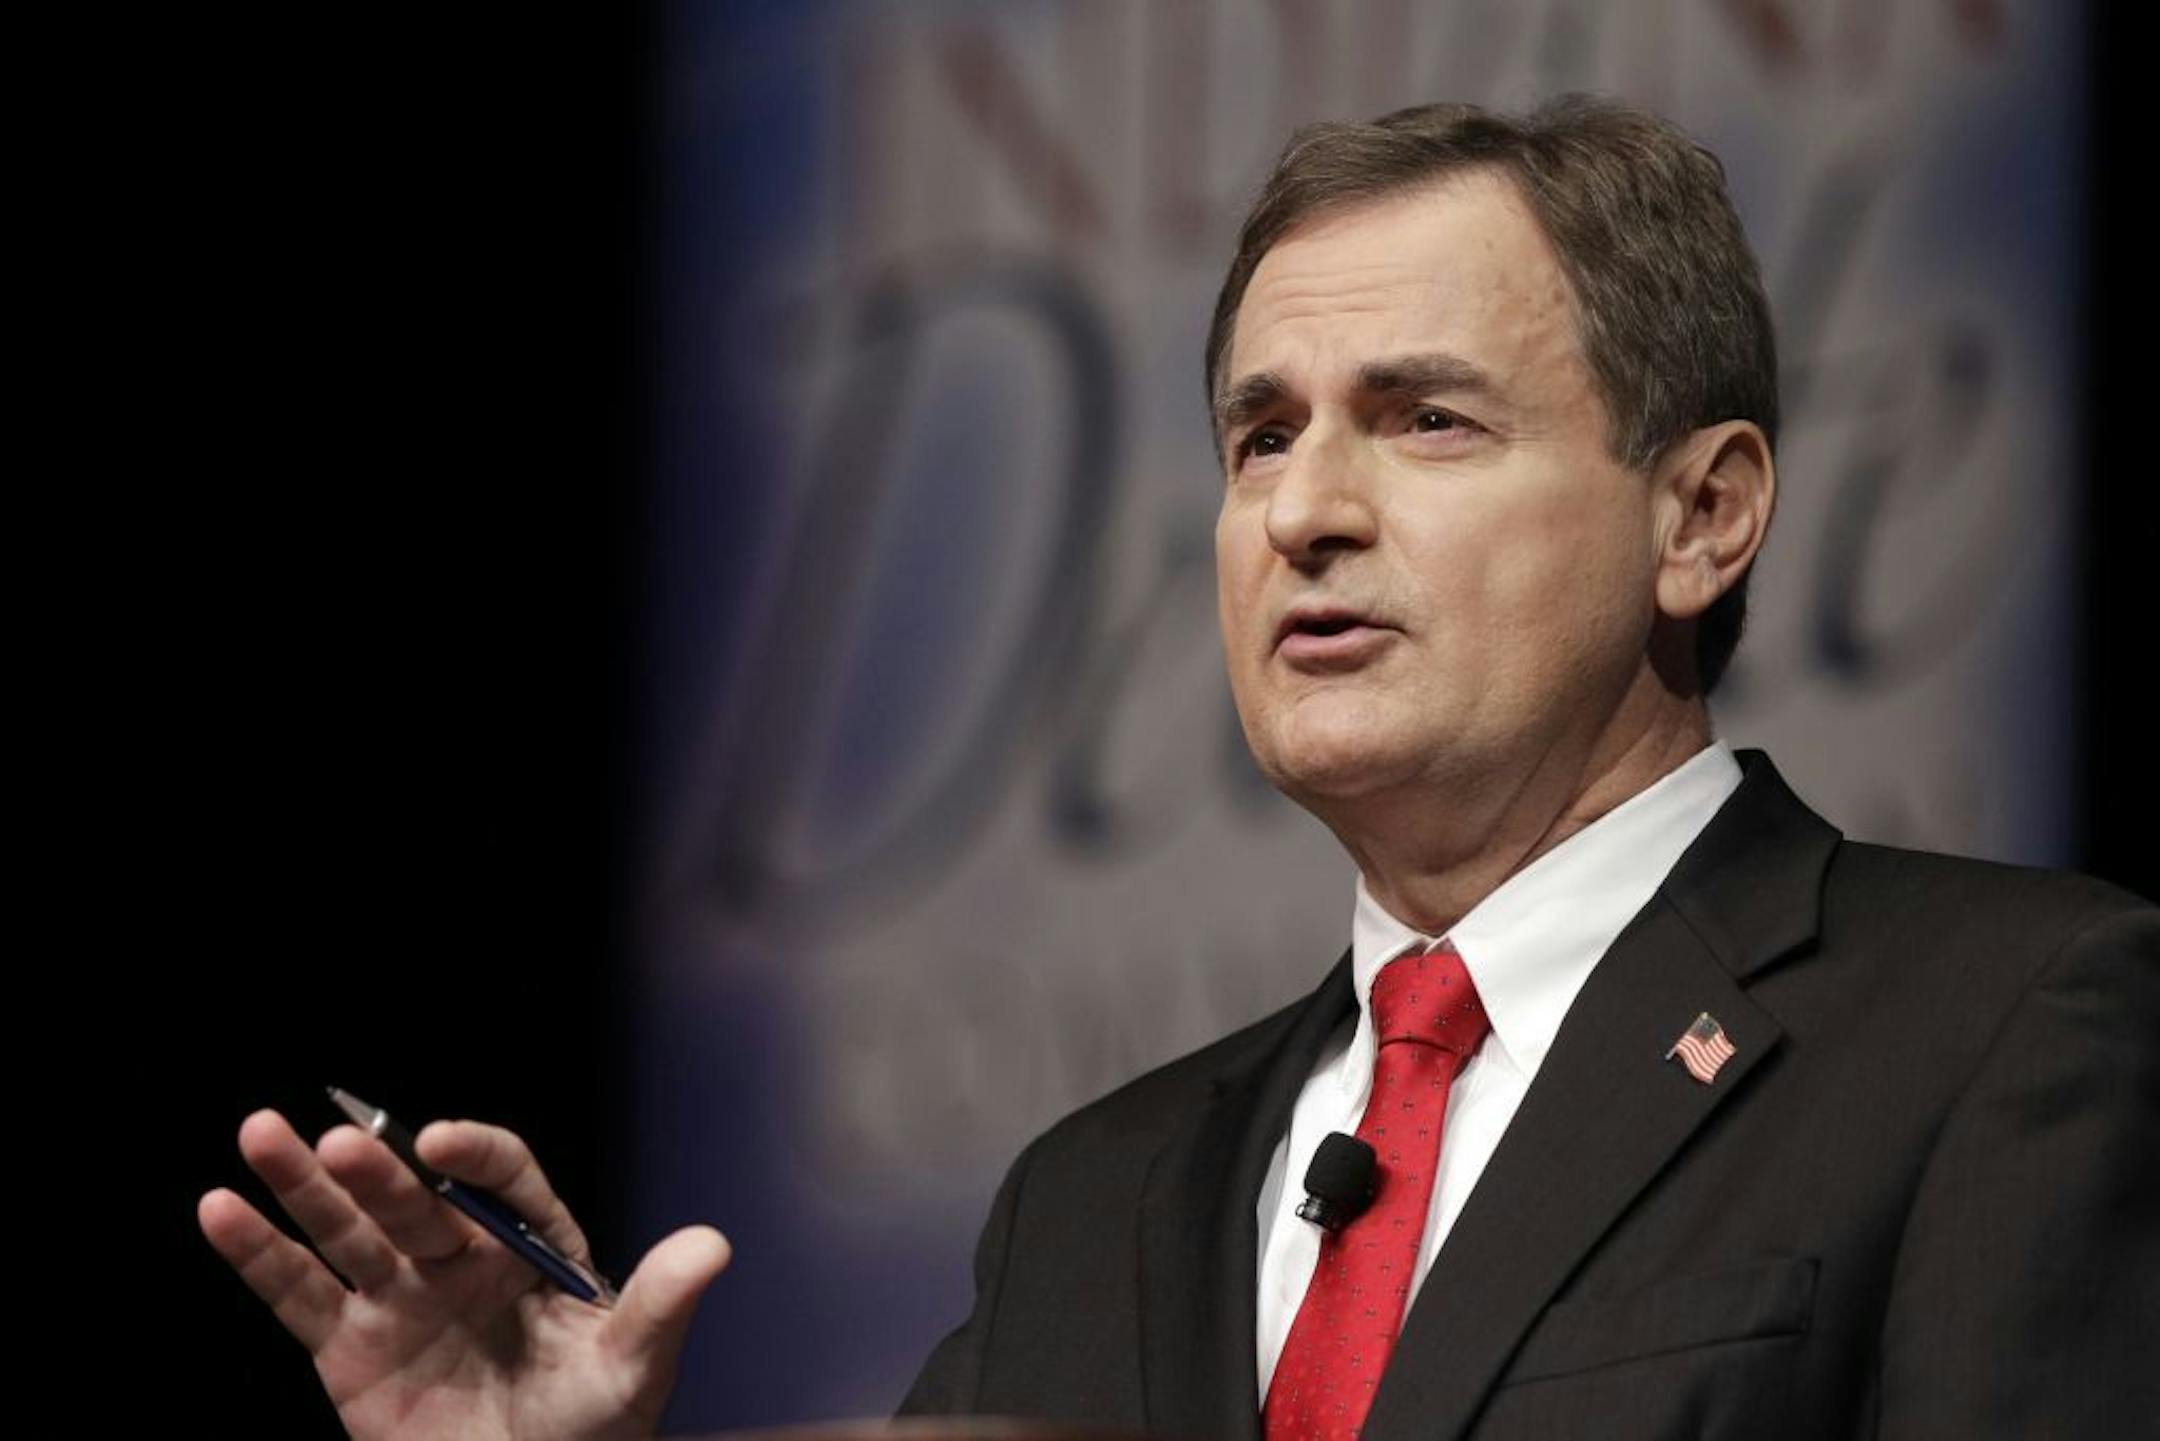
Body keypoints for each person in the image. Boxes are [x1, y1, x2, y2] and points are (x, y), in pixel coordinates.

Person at [200, 96, 2158, 1440]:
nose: (1301, 510)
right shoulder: (1095, 1195)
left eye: (1425, 421)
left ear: (1704, 514)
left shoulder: (2006, 1026)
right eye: (1256, 435)